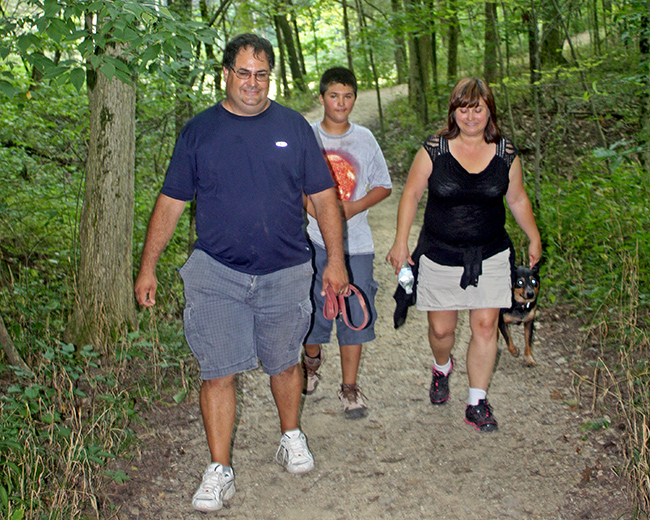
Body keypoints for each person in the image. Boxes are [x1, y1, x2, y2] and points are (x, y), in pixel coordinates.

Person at [134, 34, 348, 513]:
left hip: (287, 269)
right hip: (217, 272)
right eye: (244, 73)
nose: (253, 83)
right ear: (226, 74)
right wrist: (147, 267)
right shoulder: (199, 132)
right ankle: (219, 469)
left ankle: (291, 435)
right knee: (218, 371)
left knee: (285, 363)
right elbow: (170, 203)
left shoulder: (294, 128)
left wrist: (335, 261)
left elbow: (323, 198)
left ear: (270, 77)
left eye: (262, 74)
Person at [386, 77, 541, 433]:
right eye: (463, 107)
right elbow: (410, 195)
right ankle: (442, 368)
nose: (471, 116)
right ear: (453, 111)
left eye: (478, 108)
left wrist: (533, 237)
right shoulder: (434, 149)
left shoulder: (506, 154)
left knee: (485, 326)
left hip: (490, 254)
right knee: (442, 331)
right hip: (440, 253)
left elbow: (516, 199)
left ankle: (477, 401)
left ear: (490, 111)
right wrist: (400, 242)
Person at [302, 67, 392, 419]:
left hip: (357, 244)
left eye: (348, 96)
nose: (341, 103)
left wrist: (353, 207)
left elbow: (383, 185)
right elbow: (292, 185)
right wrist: (316, 210)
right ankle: (311, 361)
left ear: (354, 98)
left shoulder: (365, 139)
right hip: (313, 241)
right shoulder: (306, 136)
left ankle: (350, 387)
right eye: (334, 95)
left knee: (355, 313)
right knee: (312, 309)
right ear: (322, 98)